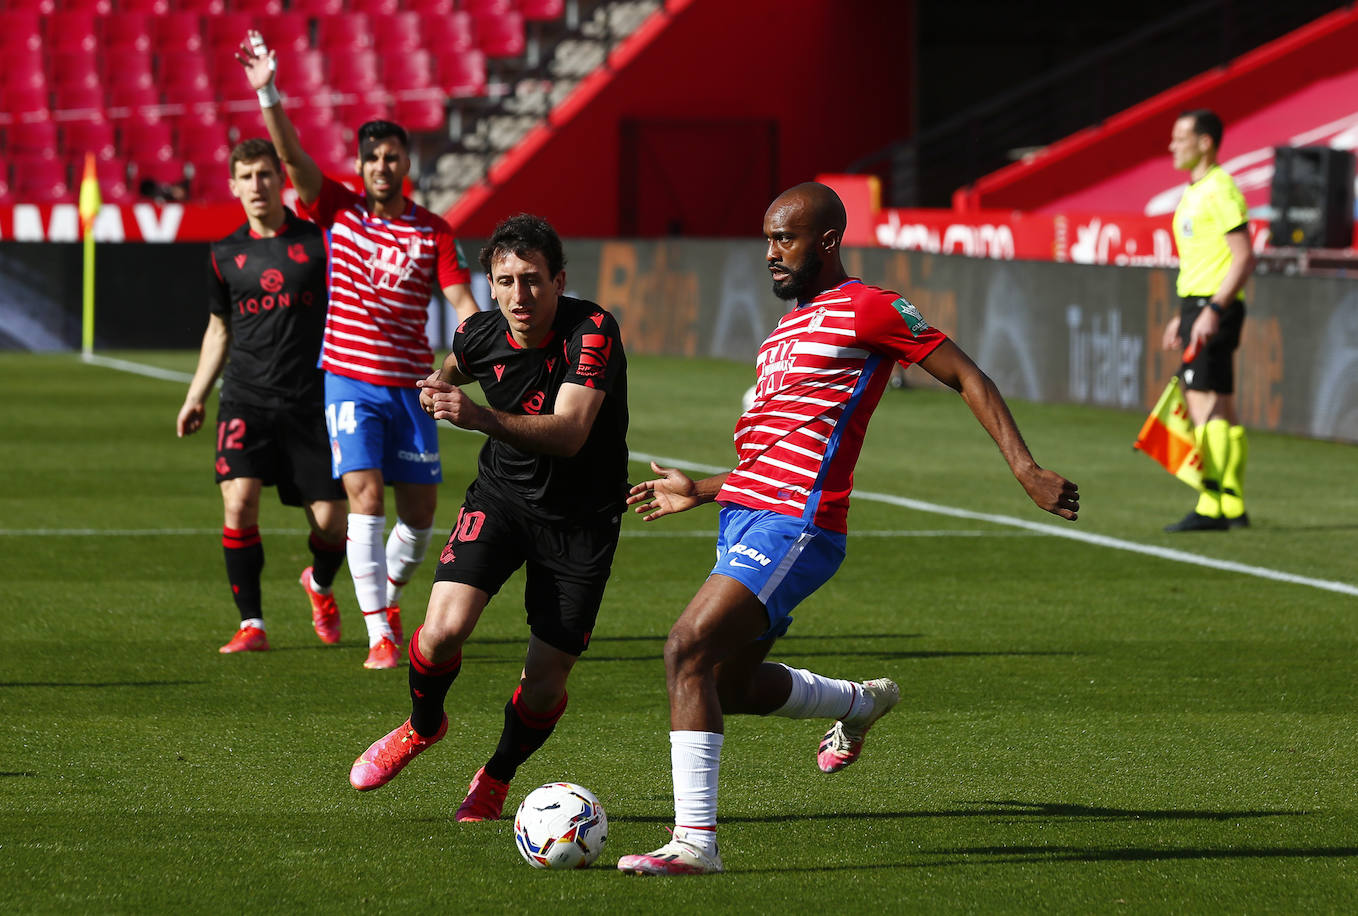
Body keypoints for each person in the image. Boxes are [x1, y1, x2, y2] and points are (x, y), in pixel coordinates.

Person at [615, 182, 1079, 876]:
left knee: (686, 648)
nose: (770, 253)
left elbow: (969, 375)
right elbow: (773, 450)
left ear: (826, 242)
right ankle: (859, 704)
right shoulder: (782, 333)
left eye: (785, 239)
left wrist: (1026, 468)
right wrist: (703, 489)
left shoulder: (870, 308)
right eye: (767, 239)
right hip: (748, 512)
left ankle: (695, 845)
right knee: (731, 686)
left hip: (795, 523)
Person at [345, 214, 630, 824]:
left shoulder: (593, 330)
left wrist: (474, 417)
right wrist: (436, 390)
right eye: (506, 281)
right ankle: (423, 726)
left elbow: (572, 433)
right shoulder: (478, 333)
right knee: (441, 630)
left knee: (546, 680)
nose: (519, 296)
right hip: (501, 499)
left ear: (559, 280)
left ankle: (496, 776)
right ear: (491, 285)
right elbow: (448, 373)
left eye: (532, 280)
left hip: (581, 521)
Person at [240, 31, 482, 668]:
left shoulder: (434, 230)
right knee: (365, 500)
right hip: (349, 378)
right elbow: (292, 159)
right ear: (362, 165)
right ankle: (380, 634)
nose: (381, 166)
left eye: (392, 156)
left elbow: (460, 299)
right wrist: (269, 92)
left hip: (413, 387)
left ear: (406, 164)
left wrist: (483, 341)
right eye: (372, 157)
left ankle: (376, 594)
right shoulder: (338, 209)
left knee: (423, 517)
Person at [176, 137, 348, 655]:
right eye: (246, 177)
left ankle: (318, 584)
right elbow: (218, 329)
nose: (257, 185)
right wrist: (195, 396)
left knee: (332, 523)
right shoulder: (225, 253)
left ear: (281, 180)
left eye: (265, 175)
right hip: (246, 400)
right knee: (240, 500)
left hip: (310, 402)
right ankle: (252, 624)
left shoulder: (320, 242)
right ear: (233, 186)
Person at [1162, 109, 1255, 532]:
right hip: (1197, 305)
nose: (1172, 145)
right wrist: (1181, 316)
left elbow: (1243, 256)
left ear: (1205, 142)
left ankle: (1210, 503)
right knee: (1223, 406)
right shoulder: (1195, 190)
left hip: (1212, 307)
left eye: (1181, 137)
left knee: (1203, 402)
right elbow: (1203, 262)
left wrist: (1212, 310)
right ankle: (1232, 504)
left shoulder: (1220, 189)